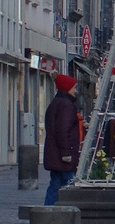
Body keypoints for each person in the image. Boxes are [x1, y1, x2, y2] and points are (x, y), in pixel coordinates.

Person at [43, 74, 80, 205]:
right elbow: (63, 130)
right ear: (67, 88)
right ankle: (66, 212)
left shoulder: (56, 103)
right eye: (74, 87)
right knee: (69, 186)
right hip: (63, 156)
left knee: (55, 184)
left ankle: (48, 212)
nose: (76, 90)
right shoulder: (66, 105)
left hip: (55, 154)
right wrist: (66, 153)